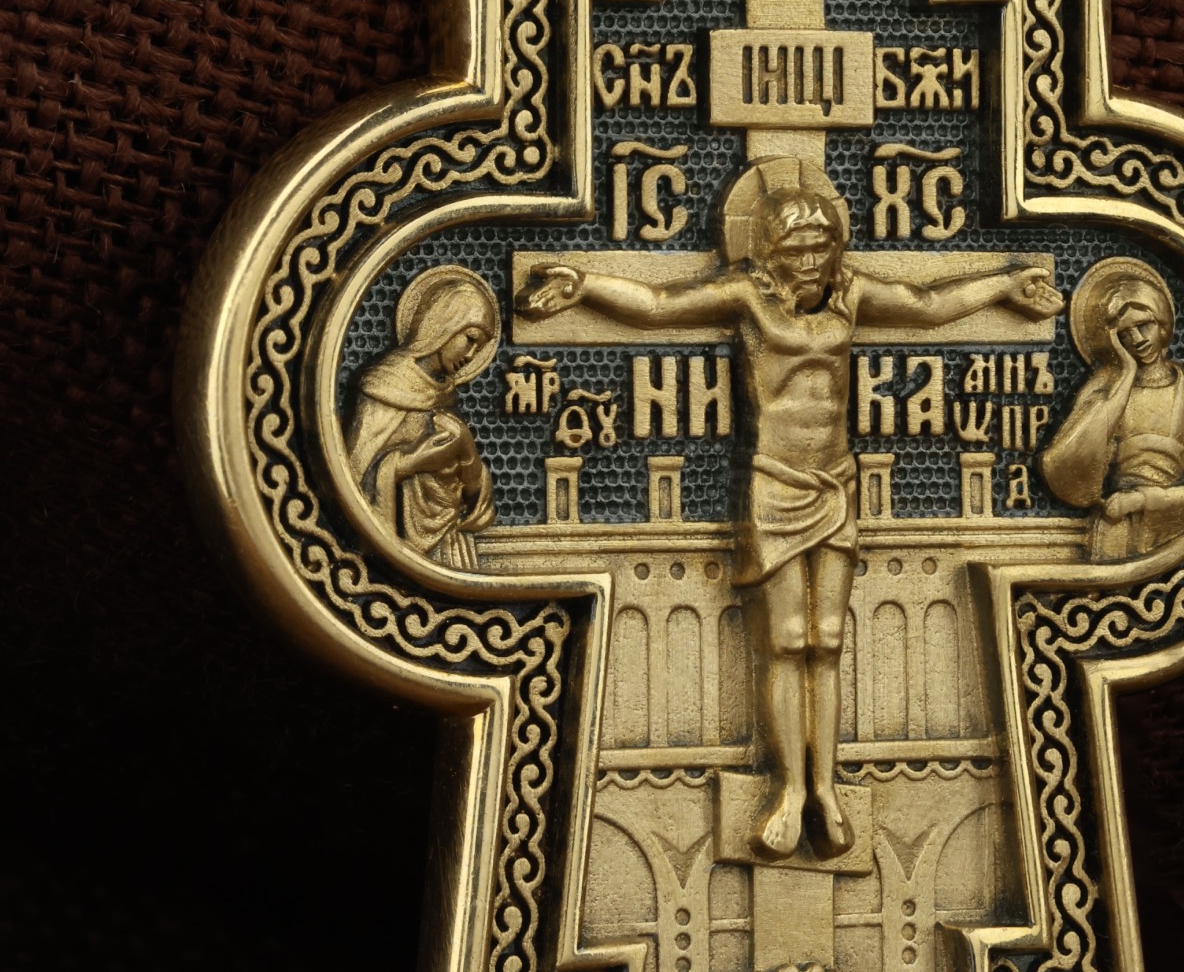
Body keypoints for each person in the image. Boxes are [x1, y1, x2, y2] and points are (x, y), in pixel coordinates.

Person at [517, 159, 1063, 860]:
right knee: (785, 639)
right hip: (774, 484)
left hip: (835, 483)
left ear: (836, 246)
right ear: (770, 250)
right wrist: (584, 284)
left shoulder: (852, 292)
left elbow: (927, 304)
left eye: (821, 245)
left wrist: (1004, 286)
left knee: (827, 640)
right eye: (796, 248)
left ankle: (826, 788)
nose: (810, 260)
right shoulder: (748, 294)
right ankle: (790, 788)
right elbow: (658, 305)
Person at [1040, 259, 1184, 561]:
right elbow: (1068, 464)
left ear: (1162, 322)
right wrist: (1125, 374)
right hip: (1116, 526)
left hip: (1174, 529)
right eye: (1124, 333)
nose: (1137, 339)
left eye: (1143, 325)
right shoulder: (1106, 385)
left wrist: (1141, 500)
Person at [345, 264, 498, 569]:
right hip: (391, 549)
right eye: (469, 339)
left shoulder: (445, 394)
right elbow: (352, 477)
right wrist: (408, 464)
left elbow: (473, 495)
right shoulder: (384, 385)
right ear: (445, 323)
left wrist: (466, 449)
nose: (471, 355)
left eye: (479, 347)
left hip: (450, 539)